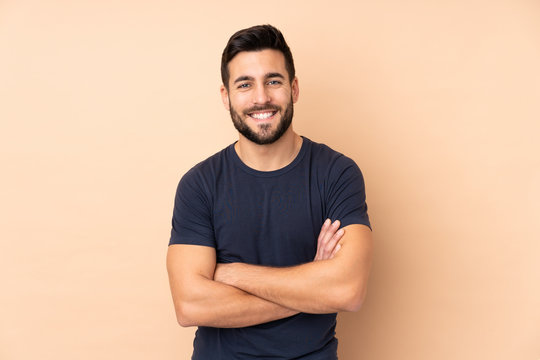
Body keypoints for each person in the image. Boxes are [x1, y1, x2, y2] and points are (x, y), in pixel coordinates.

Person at [166, 24, 373, 359]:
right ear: (226, 96)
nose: (261, 97)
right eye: (245, 84)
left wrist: (232, 274)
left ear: (293, 88)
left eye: (273, 81)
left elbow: (347, 290)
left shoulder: (337, 174)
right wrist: (310, 288)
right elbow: (190, 305)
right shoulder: (199, 184)